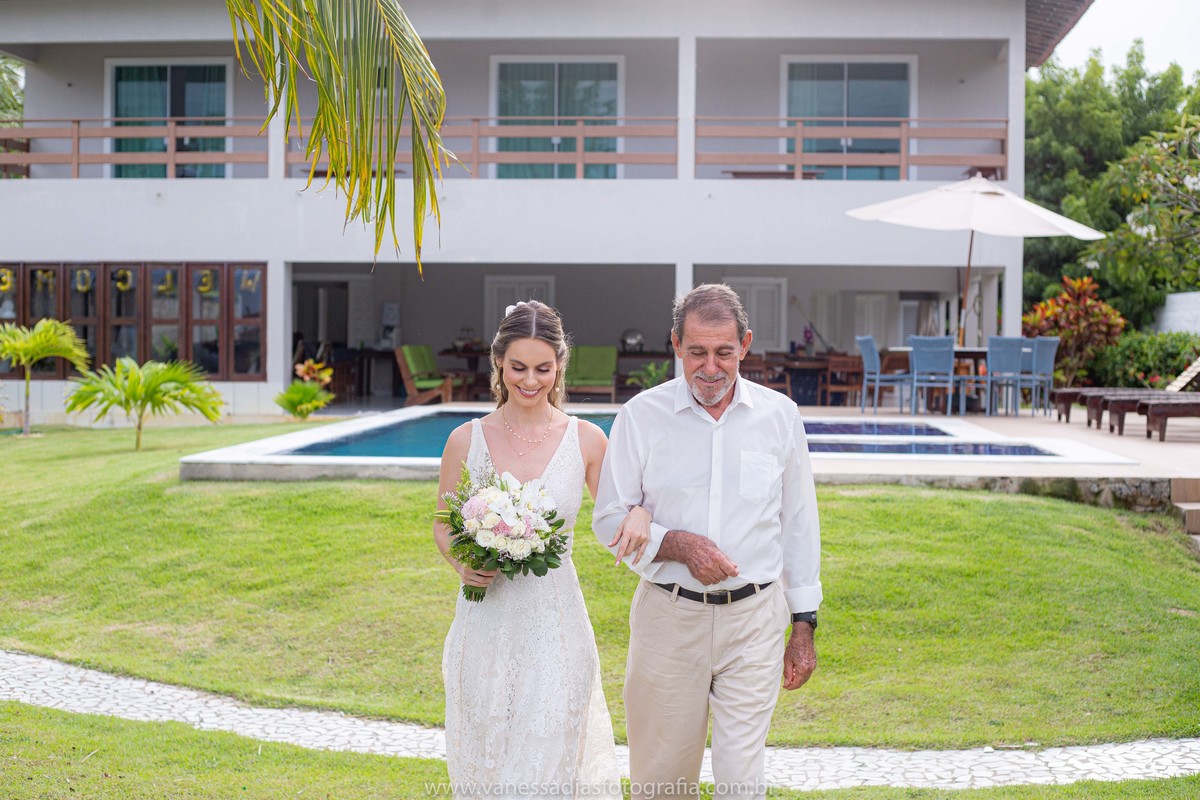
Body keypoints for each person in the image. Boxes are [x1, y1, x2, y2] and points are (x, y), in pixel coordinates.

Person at [594, 284, 822, 800]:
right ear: (676, 345)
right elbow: (609, 518)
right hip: (668, 619)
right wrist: (675, 543)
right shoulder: (640, 416)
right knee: (663, 782)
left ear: (745, 344)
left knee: (742, 782)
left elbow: (799, 524)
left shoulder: (780, 416)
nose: (710, 367)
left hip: (755, 620)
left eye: (723, 351)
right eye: (697, 351)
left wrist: (804, 626)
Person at [435, 300, 648, 798]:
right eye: (518, 368)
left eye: (543, 369)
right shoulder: (465, 440)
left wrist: (640, 512)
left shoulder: (589, 441)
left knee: (548, 758)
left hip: (557, 626)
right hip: (485, 622)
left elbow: (619, 512)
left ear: (560, 367)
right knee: (490, 759)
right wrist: (462, 563)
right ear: (499, 365)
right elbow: (444, 523)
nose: (530, 381)